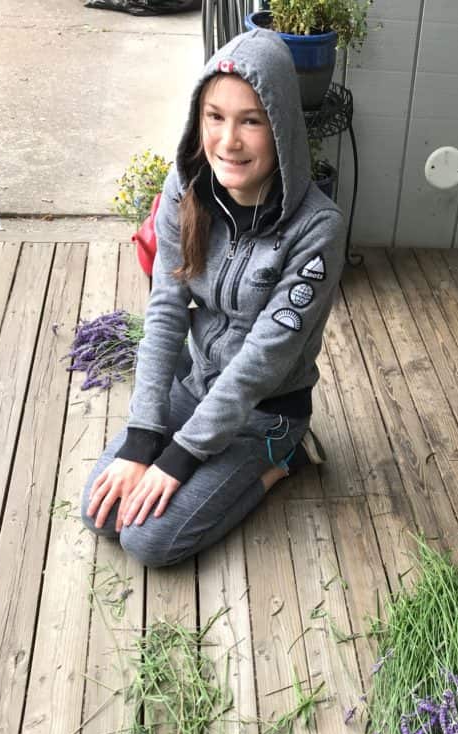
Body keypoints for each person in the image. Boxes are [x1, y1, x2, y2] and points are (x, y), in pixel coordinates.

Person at [82, 28, 346, 567]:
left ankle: (285, 461)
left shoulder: (318, 228)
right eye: (215, 117)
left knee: (150, 542)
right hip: (196, 379)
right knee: (100, 512)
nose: (229, 141)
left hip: (263, 411)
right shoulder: (185, 186)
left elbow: (262, 361)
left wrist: (178, 457)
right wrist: (143, 437)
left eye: (251, 120)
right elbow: (165, 310)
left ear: (282, 128)